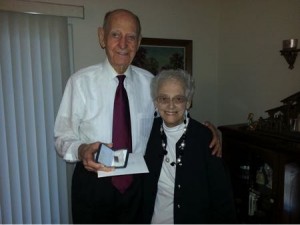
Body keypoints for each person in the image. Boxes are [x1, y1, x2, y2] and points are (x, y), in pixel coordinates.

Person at [54, 9, 221, 224]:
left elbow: (170, 118)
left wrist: (207, 133)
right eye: (115, 34)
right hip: (93, 185)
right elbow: (61, 137)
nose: (123, 44)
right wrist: (81, 149)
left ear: (138, 42)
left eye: (131, 37)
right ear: (101, 37)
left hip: (137, 185)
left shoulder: (149, 82)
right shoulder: (80, 82)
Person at [142, 69, 237, 224]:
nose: (170, 105)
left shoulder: (205, 138)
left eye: (178, 98)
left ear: (188, 102)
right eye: (163, 98)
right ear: (155, 102)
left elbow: (222, 198)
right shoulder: (146, 133)